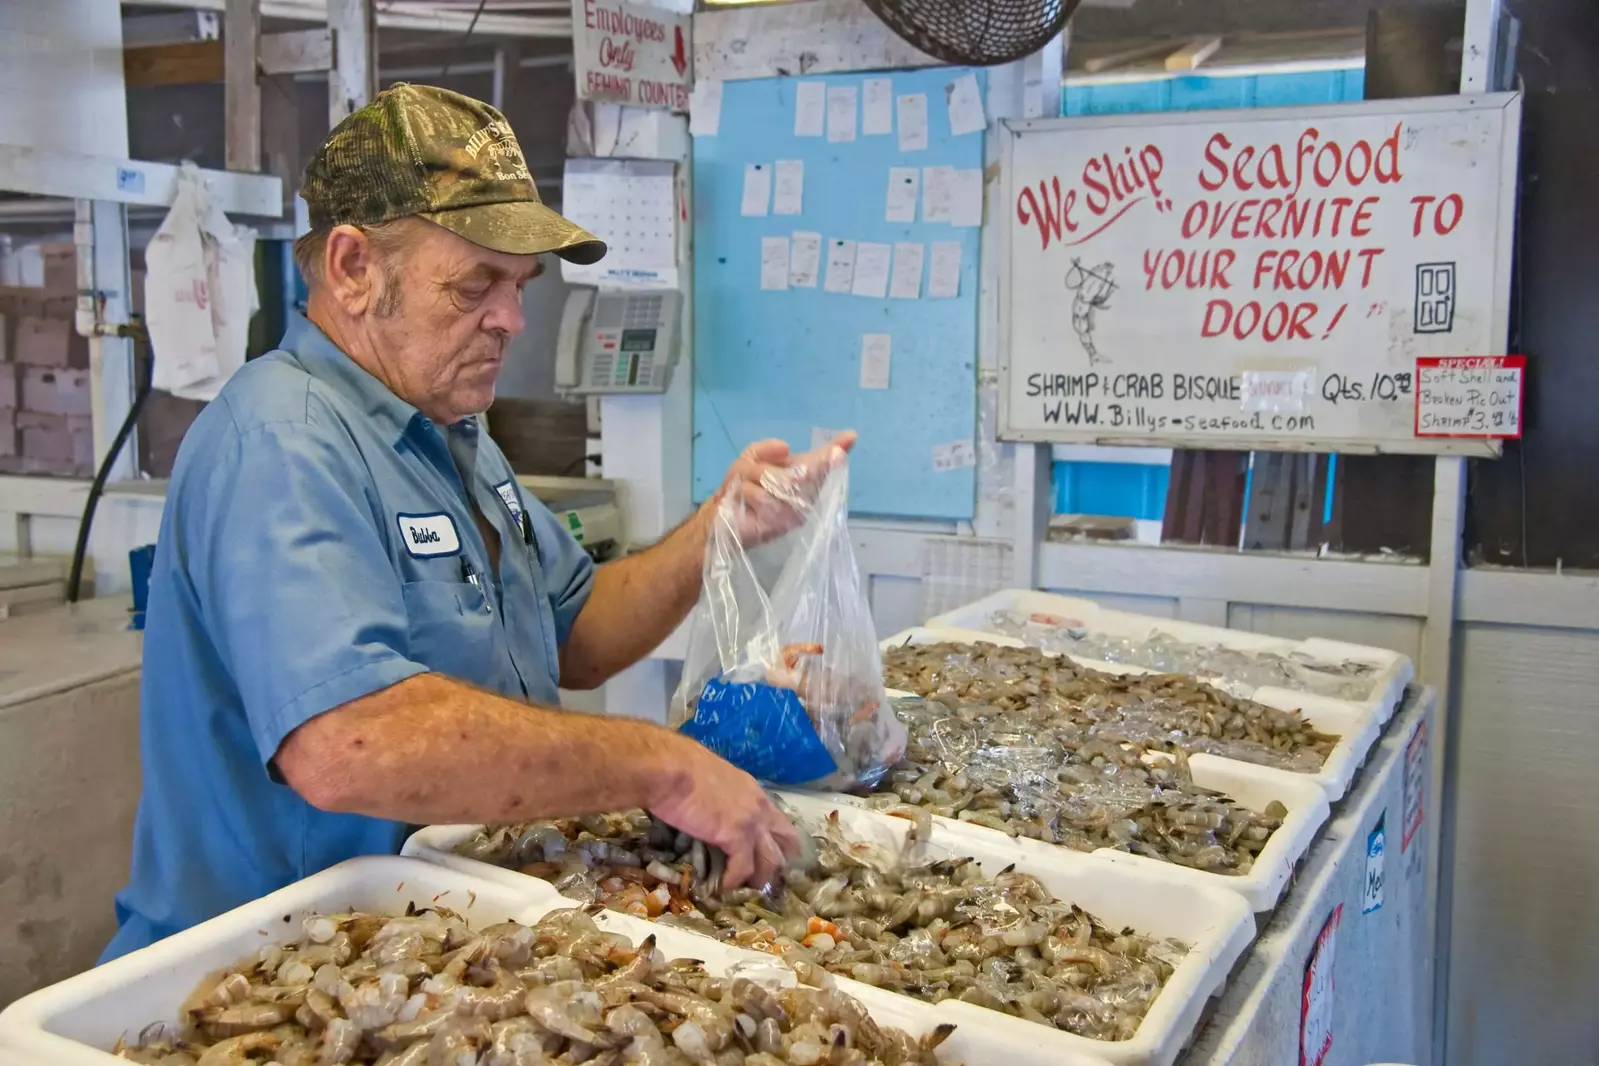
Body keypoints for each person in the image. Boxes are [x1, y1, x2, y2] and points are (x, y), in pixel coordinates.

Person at [102, 84, 857, 961]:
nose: (511, 319)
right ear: (352, 268)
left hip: (430, 945)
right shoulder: (284, 443)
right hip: (266, 972)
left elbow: (579, 632)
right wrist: (663, 763)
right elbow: (349, 742)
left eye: (518, 285)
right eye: (475, 285)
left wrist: (722, 525)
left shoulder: (449, 430)